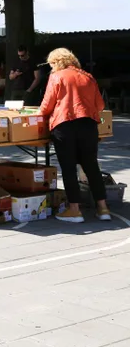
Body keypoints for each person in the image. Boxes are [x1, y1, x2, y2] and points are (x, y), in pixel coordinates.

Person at [39, 48, 110, 223]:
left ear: (55, 62)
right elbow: (100, 106)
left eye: (51, 64)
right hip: (89, 124)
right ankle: (103, 208)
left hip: (64, 124)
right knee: (92, 166)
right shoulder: (88, 76)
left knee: (69, 167)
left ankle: (74, 210)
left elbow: (46, 106)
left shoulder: (57, 76)